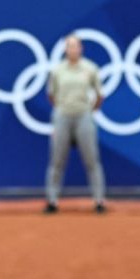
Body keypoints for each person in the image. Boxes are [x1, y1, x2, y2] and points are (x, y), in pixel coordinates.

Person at [45, 34, 107, 214]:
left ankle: (99, 201)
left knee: (92, 160)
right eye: (69, 46)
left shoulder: (90, 68)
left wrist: (89, 111)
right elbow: (51, 95)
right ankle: (52, 201)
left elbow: (100, 94)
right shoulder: (57, 71)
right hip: (62, 116)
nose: (73, 50)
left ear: (81, 49)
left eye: (76, 46)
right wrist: (63, 109)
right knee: (57, 161)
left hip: (84, 117)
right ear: (65, 50)